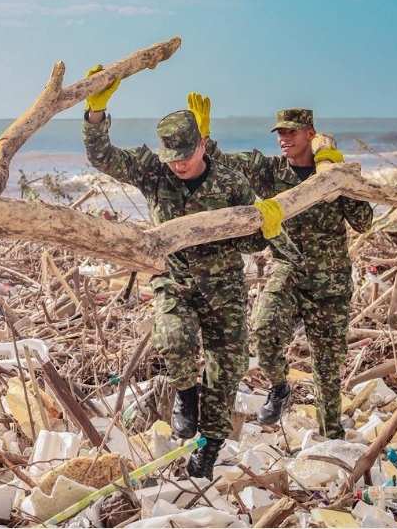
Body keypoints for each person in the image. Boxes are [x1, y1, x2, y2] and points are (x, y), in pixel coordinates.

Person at [82, 72, 286, 479]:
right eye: (171, 157)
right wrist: (95, 112)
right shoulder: (154, 171)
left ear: (203, 146)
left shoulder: (229, 181)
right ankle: (184, 394)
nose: (178, 164)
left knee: (225, 370)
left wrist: (264, 226)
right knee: (173, 338)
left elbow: (252, 242)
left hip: (224, 288)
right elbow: (102, 157)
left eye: (185, 157)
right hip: (174, 281)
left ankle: (207, 451)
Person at [189, 96, 372, 439]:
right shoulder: (271, 171)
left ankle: (331, 435)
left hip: (330, 283)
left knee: (328, 366)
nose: (283, 139)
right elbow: (223, 163)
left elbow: (364, 222)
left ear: (311, 133)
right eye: (279, 133)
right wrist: (204, 138)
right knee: (265, 329)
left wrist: (342, 181)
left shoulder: (335, 173)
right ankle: (279, 387)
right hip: (287, 269)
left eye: (291, 132)